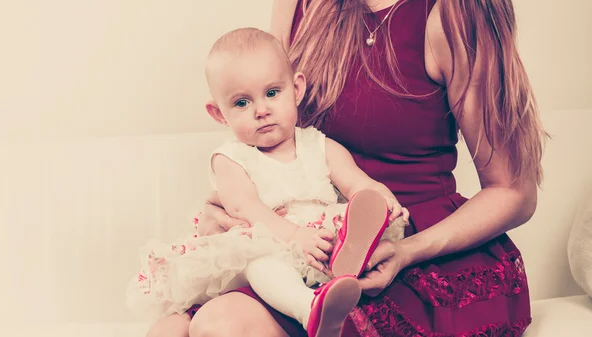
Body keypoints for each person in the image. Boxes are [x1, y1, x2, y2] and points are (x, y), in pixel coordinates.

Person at [148, 0, 548, 336]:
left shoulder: (453, 12)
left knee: (222, 325)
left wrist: (407, 251)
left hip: (413, 243)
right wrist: (233, 215)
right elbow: (266, 120)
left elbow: (514, 191)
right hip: (308, 236)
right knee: (167, 328)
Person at [129, 27, 410, 337]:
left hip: (317, 243)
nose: (261, 110)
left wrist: (382, 199)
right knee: (260, 261)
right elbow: (245, 207)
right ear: (219, 114)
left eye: (272, 93)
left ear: (297, 88)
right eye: (241, 103)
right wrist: (293, 236)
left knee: (348, 221)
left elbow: (357, 183)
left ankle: (346, 259)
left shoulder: (319, 146)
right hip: (267, 241)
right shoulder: (230, 158)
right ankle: (311, 310)